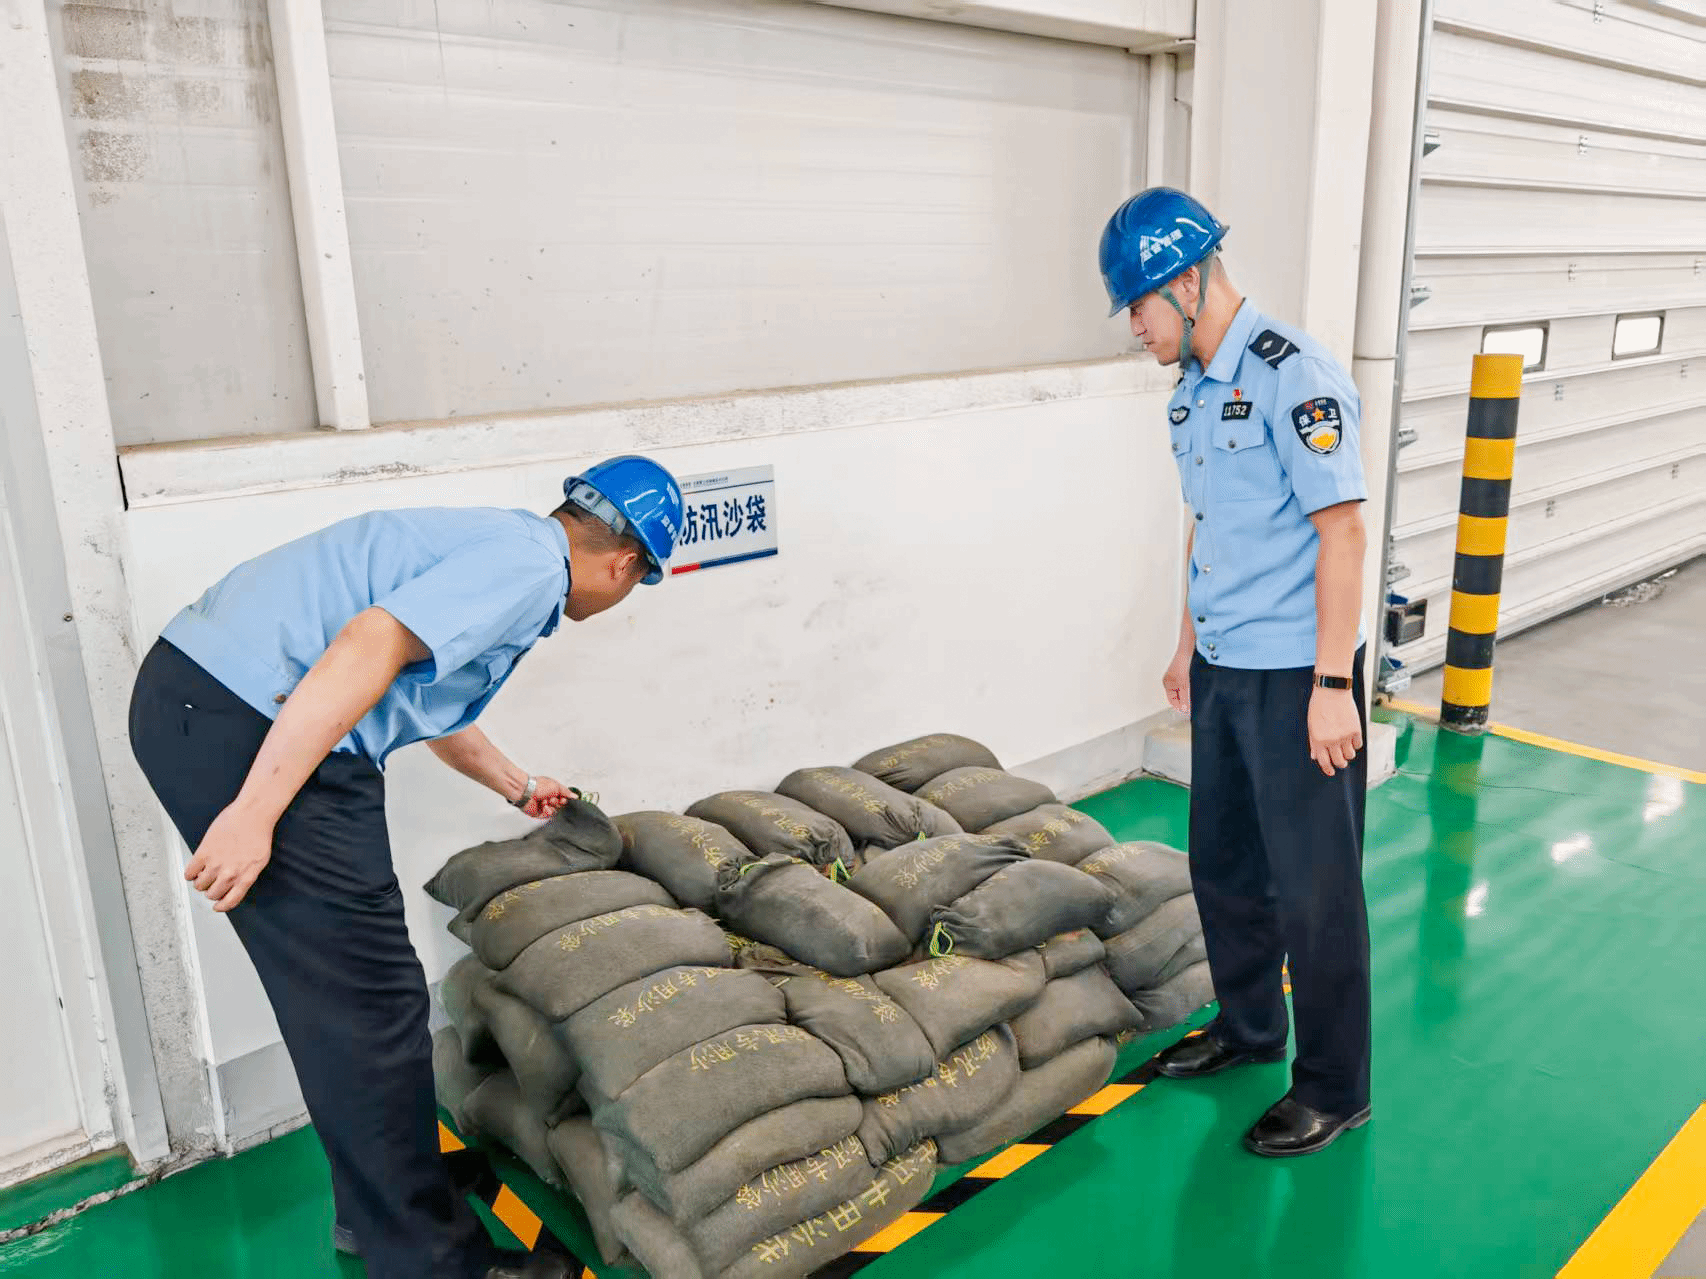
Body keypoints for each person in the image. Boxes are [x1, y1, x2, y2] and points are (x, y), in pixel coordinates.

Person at [127, 456, 683, 1277]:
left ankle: (385, 1203)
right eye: (638, 582)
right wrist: (254, 811)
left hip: (209, 699)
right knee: (371, 1006)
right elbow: (371, 642)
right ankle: (427, 1258)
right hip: (245, 721)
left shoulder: (509, 544)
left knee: (349, 1001)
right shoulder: (532, 570)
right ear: (626, 564)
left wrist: (517, 784)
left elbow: (411, 681)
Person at [1098, 188, 1373, 1157]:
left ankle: (1334, 1086)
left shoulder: (1295, 375)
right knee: (1223, 866)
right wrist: (1186, 643)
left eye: (1138, 305)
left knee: (1314, 890)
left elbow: (1342, 533)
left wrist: (1332, 687)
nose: (1134, 327)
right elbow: (1208, 527)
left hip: (1297, 676)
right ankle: (1251, 1027)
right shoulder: (1191, 390)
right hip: (1223, 666)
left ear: (1185, 282)